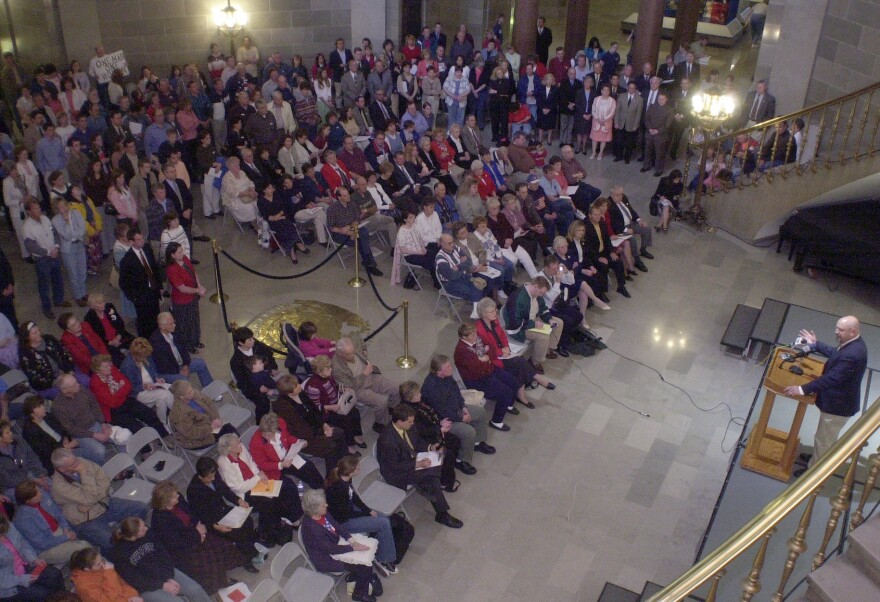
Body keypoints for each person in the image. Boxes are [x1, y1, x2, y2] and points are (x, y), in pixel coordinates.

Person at [783, 317, 869, 475]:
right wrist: (815, 344)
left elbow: (831, 378)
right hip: (837, 402)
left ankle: (814, 473)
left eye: (840, 330)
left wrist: (802, 389)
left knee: (824, 441)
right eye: (837, 328)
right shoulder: (853, 344)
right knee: (824, 438)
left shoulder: (854, 354)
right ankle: (816, 459)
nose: (836, 332)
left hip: (838, 406)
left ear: (853, 331)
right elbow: (835, 354)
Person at [150, 481, 254, 595]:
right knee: (209, 557)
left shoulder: (179, 502)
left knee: (223, 545)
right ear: (166, 501)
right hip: (184, 549)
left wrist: (200, 529)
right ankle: (218, 584)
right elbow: (175, 542)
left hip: (196, 532)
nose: (178, 496)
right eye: (175, 496)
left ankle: (223, 574)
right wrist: (197, 535)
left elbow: (192, 514)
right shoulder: (160, 520)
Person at [50, 448, 148, 554]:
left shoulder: (80, 461)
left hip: (104, 503)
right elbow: (89, 498)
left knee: (141, 508)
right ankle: (118, 552)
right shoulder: (58, 486)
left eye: (75, 459)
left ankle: (131, 536)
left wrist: (92, 501)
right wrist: (83, 473)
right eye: (73, 464)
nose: (78, 463)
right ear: (62, 469)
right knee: (112, 542)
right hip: (86, 520)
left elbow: (104, 480)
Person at [217, 433, 303, 545]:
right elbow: (237, 487)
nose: (241, 444)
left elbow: (251, 462)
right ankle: (271, 532)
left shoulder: (241, 449)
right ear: (230, 449)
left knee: (287, 485)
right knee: (269, 501)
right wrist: (257, 478)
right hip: (245, 492)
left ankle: (293, 517)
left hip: (257, 481)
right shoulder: (224, 463)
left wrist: (259, 473)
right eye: (237, 443)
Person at [300, 489, 382, 602]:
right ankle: (359, 594)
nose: (327, 505)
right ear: (315, 509)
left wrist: (351, 539)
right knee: (365, 566)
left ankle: (359, 579)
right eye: (323, 504)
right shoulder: (313, 529)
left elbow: (336, 526)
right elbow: (331, 549)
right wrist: (353, 547)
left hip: (335, 544)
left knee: (365, 554)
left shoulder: (322, 513)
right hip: (326, 559)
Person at [324, 456, 400, 575]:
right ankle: (385, 559)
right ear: (351, 472)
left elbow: (353, 497)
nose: (359, 469)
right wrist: (364, 514)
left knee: (382, 518)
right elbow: (345, 515)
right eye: (358, 468)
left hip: (348, 511)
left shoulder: (345, 480)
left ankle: (381, 547)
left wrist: (367, 510)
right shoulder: (338, 489)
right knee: (383, 523)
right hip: (343, 523)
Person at [108, 517, 212, 602]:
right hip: (148, 587)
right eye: (143, 529)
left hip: (166, 573)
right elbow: (135, 579)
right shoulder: (119, 554)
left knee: (195, 590)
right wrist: (162, 585)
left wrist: (168, 577)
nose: (146, 528)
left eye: (144, 525)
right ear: (134, 535)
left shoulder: (148, 535)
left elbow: (164, 555)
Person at [186, 457, 261, 560]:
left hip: (223, 509)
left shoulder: (214, 475)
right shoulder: (193, 490)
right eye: (209, 478)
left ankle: (250, 546)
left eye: (213, 475)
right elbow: (201, 514)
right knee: (237, 532)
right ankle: (247, 557)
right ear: (200, 476)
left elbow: (225, 490)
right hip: (213, 520)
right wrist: (216, 526)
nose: (212, 479)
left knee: (248, 520)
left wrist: (238, 501)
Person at [89, 354, 172, 440]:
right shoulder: (95, 383)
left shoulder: (112, 370)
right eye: (106, 366)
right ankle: (145, 450)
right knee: (136, 427)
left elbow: (128, 385)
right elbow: (112, 403)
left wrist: (118, 392)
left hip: (126, 400)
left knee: (149, 414)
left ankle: (164, 436)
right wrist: (121, 388)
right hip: (113, 411)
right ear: (97, 369)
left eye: (109, 364)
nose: (110, 367)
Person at [275, 375, 348, 472]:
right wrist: (322, 432)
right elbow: (300, 430)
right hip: (303, 438)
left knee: (340, 433)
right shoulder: (284, 407)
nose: (299, 385)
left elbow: (314, 410)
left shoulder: (300, 393)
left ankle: (344, 463)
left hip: (316, 428)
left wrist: (324, 425)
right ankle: (332, 475)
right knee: (330, 446)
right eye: (296, 386)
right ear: (290, 393)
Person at [12, 480, 90, 566]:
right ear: (28, 501)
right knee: (84, 547)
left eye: (39, 490)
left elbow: (58, 513)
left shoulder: (43, 496)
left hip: (60, 532)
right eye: (36, 494)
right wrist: (66, 537)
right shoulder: (23, 519)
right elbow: (42, 543)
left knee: (86, 536)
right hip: (47, 548)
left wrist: (65, 528)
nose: (40, 493)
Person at [332, 337, 400, 432]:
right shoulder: (337, 368)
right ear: (339, 354)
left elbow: (359, 339)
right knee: (381, 402)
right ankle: (380, 424)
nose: (352, 355)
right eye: (348, 354)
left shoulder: (353, 345)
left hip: (371, 377)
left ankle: (391, 407)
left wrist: (364, 350)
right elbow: (351, 386)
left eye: (353, 351)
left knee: (396, 388)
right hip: (358, 389)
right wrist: (364, 374)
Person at [303, 356, 366, 455]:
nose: (331, 369)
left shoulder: (328, 376)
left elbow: (334, 387)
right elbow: (315, 407)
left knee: (355, 412)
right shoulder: (313, 387)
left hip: (337, 403)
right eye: (328, 368)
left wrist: (341, 390)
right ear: (320, 372)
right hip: (326, 412)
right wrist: (331, 407)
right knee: (345, 421)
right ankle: (349, 444)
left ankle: (356, 435)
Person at [21, 395, 105, 469]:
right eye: (39, 406)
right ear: (32, 413)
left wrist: (66, 438)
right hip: (58, 455)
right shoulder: (30, 431)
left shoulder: (47, 416)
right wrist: (65, 448)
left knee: (97, 449)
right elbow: (44, 451)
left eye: (42, 404)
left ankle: (97, 470)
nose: (43, 407)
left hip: (68, 442)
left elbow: (62, 428)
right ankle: (98, 472)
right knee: (96, 452)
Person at [503, 276, 567, 370]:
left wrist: (549, 319)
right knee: (543, 336)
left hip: (532, 320)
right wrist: (533, 324)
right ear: (535, 286)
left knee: (559, 322)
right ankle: (535, 362)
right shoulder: (518, 298)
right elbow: (515, 322)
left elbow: (543, 309)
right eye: (541, 292)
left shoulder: (536, 294)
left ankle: (547, 350)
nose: (541, 295)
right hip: (519, 329)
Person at [249, 411, 324, 489]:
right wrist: (280, 464)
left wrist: (298, 441)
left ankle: (322, 487)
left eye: (271, 434)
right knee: (289, 486)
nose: (267, 436)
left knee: (309, 466)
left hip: (288, 456)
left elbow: (287, 437)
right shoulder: (255, 443)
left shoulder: (280, 423)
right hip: (275, 467)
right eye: (266, 434)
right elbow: (263, 464)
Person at [50, 373, 113, 465]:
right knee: (99, 451)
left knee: (122, 435)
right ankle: (104, 470)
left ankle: (129, 467)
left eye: (76, 382)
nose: (78, 384)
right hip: (81, 435)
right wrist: (94, 435)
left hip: (96, 423)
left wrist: (103, 423)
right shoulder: (58, 407)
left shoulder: (81, 389)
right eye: (74, 384)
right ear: (65, 390)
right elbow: (71, 429)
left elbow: (94, 405)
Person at [0, 514, 66, 601]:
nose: (3, 537)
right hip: (9, 584)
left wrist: (33, 559)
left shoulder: (5, 523)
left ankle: (65, 599)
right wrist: (21, 580)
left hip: (25, 565)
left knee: (55, 574)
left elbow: (22, 542)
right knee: (42, 594)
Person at [18, 321, 89, 399]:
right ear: (27, 337)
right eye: (35, 333)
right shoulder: (26, 354)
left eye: (39, 330)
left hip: (66, 371)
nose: (39, 333)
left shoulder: (49, 339)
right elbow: (35, 379)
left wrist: (68, 372)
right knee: (66, 395)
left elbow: (66, 354)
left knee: (86, 381)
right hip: (49, 384)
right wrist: (56, 382)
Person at [23, 200, 68, 319]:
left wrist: (57, 247)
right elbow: (31, 246)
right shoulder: (27, 227)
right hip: (42, 260)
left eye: (39, 208)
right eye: (35, 209)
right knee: (44, 285)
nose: (39, 211)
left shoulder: (45, 219)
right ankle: (47, 308)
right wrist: (47, 252)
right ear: (29, 212)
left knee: (58, 279)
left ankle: (58, 300)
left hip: (55, 255)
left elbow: (55, 234)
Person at [148, 312, 213, 386]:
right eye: (171, 324)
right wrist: (179, 371)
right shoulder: (155, 342)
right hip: (167, 372)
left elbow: (183, 350)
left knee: (200, 363)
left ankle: (210, 388)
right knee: (184, 380)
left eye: (173, 322)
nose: (174, 325)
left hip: (179, 364)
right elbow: (163, 366)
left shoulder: (174, 332)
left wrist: (186, 365)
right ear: (162, 326)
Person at [119, 337, 174, 424]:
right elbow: (130, 387)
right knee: (165, 394)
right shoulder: (127, 366)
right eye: (144, 356)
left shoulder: (146, 356)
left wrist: (157, 378)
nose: (147, 357)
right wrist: (144, 386)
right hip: (139, 392)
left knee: (162, 399)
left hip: (152, 385)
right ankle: (179, 414)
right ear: (137, 355)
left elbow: (154, 370)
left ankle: (163, 422)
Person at [119, 228, 162, 337]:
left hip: (153, 290)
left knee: (156, 316)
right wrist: (135, 298)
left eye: (142, 238)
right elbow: (123, 283)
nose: (142, 241)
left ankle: (157, 337)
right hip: (142, 296)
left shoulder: (147, 249)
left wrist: (159, 286)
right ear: (131, 242)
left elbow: (154, 269)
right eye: (138, 240)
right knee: (145, 322)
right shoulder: (127, 260)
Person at [168, 380, 234, 450]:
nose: (192, 392)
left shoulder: (194, 393)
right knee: (229, 433)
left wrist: (215, 419)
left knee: (229, 432)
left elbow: (209, 404)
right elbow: (191, 433)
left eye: (191, 389)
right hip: (194, 440)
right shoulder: (178, 414)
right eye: (189, 392)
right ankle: (233, 455)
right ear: (181, 397)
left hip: (209, 424)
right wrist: (211, 428)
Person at [70, 546, 141, 602]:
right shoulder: (85, 586)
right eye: (98, 564)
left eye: (101, 560)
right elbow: (109, 600)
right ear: (87, 569)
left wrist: (132, 595)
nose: (103, 564)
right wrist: (110, 573)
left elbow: (121, 582)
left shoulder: (100, 567)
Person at [83, 293, 133, 366]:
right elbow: (96, 336)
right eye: (100, 303)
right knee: (119, 362)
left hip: (119, 335)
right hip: (106, 343)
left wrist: (118, 337)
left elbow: (120, 323)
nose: (103, 304)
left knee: (139, 345)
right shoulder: (89, 318)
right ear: (93, 306)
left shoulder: (109, 307)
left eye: (103, 301)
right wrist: (111, 342)